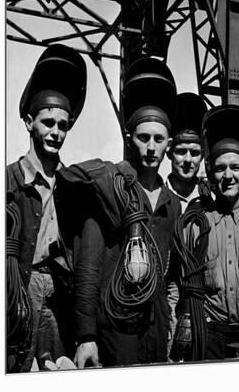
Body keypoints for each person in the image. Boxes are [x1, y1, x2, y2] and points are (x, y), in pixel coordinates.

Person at [61, 57, 181, 368]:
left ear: (169, 143)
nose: (151, 148)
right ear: (130, 140)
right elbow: (88, 266)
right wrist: (86, 336)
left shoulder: (172, 204)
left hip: (154, 329)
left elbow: (169, 274)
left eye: (158, 139)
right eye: (143, 138)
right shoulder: (109, 189)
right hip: (116, 331)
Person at [6, 44, 87, 372]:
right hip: (17, 294)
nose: (56, 132)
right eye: (48, 122)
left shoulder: (74, 188)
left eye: (63, 125)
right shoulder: (7, 182)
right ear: (29, 122)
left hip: (58, 303)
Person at [172, 105, 239, 361]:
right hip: (207, 339)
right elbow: (177, 287)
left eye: (236, 167)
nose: (228, 176)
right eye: (221, 168)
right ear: (211, 173)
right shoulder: (195, 226)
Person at [166, 93, 209, 213]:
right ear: (169, 152)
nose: (188, 160)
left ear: (202, 156)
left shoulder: (212, 200)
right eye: (181, 151)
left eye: (195, 153)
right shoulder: (155, 197)